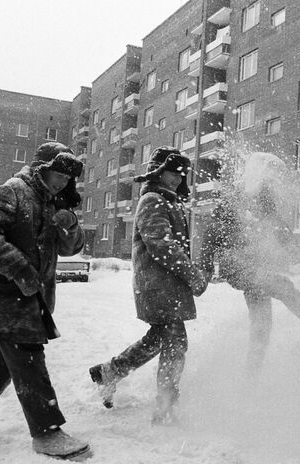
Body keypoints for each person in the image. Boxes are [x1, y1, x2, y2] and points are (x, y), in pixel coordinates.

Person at [0, 142, 91, 461]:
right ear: (42, 168)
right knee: (27, 360)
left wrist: (69, 225)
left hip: (30, 299)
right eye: (58, 174)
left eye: (68, 178)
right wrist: (20, 269)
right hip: (5, 298)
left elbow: (70, 249)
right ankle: (47, 432)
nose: (62, 182)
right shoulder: (14, 191)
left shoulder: (52, 203)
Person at [89, 147, 207, 425]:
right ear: (158, 172)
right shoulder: (154, 200)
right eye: (171, 173)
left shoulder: (168, 201)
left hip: (164, 285)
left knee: (159, 339)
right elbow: (161, 245)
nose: (177, 179)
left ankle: (110, 372)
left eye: (181, 174)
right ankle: (166, 406)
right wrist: (192, 274)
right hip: (158, 285)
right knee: (176, 343)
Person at [199, 152, 300, 373]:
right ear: (261, 171)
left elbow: (280, 229)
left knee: (262, 324)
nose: (276, 180)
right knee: (282, 286)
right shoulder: (236, 197)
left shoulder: (264, 198)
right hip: (235, 262)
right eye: (273, 174)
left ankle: (252, 373)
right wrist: (206, 268)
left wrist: (299, 258)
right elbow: (212, 233)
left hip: (255, 268)